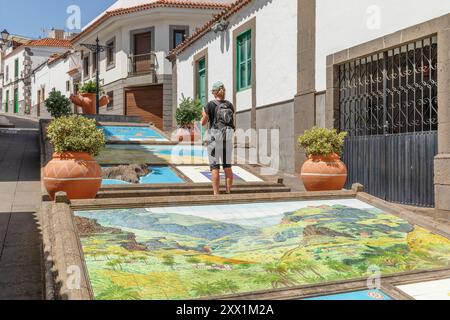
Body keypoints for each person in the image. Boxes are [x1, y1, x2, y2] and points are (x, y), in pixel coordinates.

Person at [201, 81, 235, 195]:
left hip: (214, 139)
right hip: (228, 139)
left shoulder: (210, 104)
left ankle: (216, 194)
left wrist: (203, 114)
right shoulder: (229, 105)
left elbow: (203, 123)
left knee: (215, 168)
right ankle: (228, 192)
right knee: (227, 167)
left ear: (215, 92)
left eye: (212, 91)